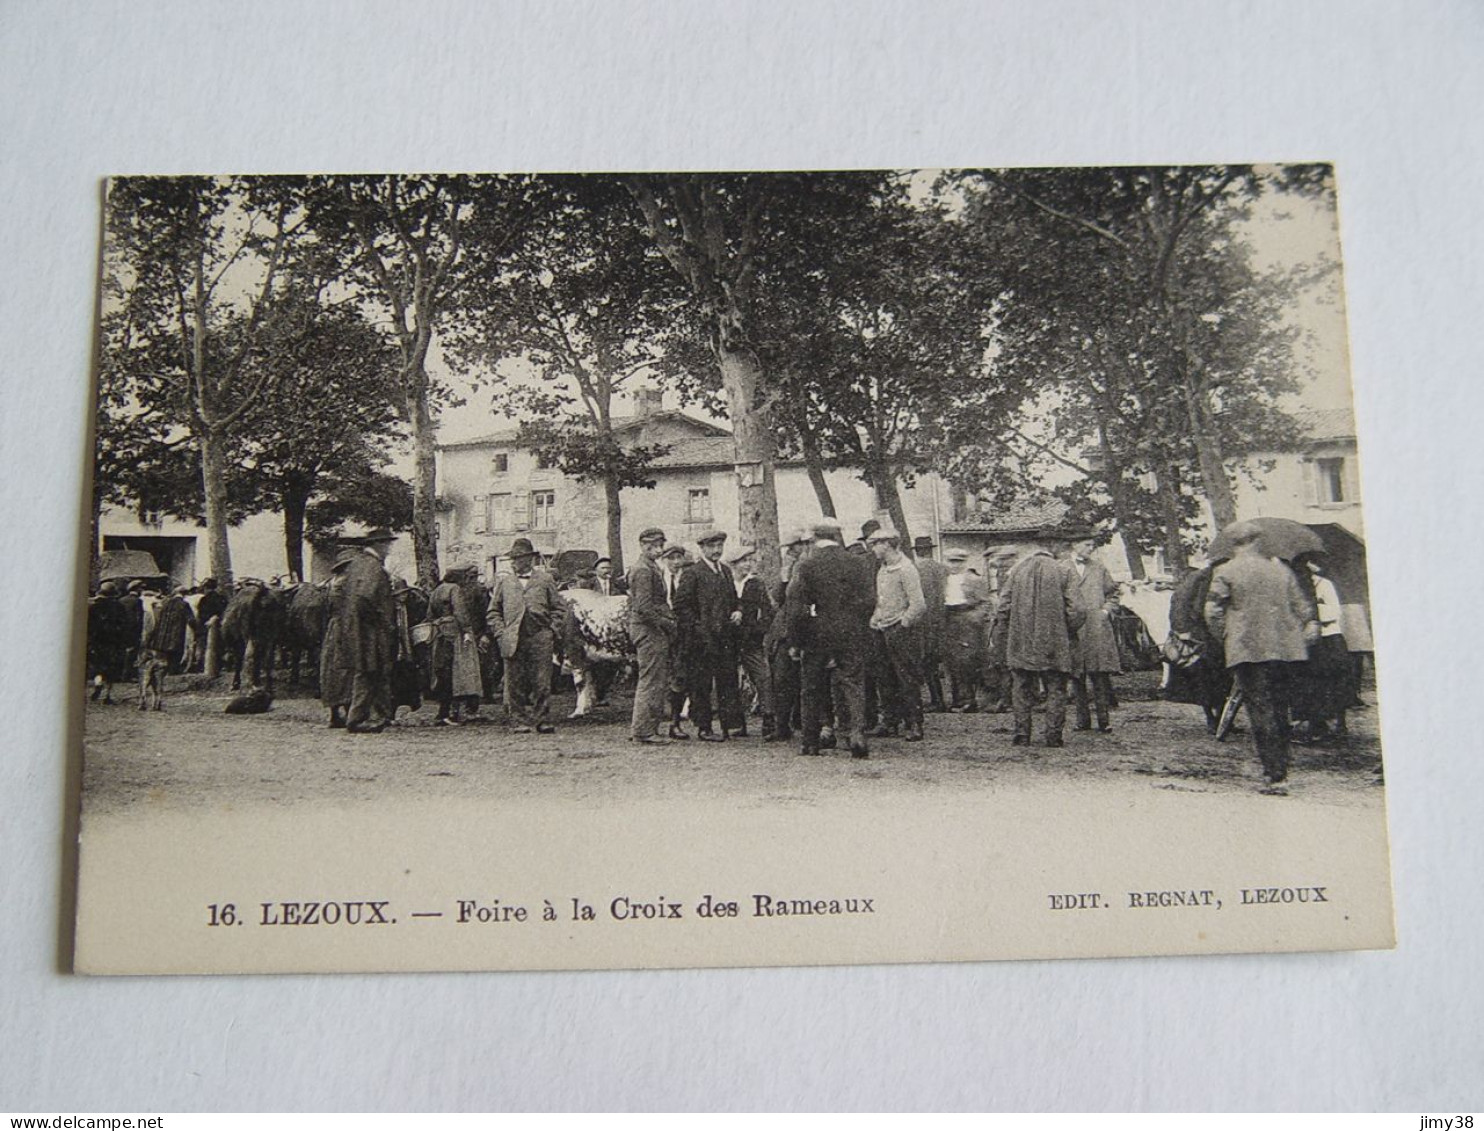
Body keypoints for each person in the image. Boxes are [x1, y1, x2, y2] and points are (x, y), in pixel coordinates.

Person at [1203, 521, 1320, 789]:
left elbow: (1212, 611)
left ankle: (1273, 771)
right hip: (1285, 648)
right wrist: (1306, 627)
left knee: (1260, 708)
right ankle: (1283, 765)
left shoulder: (1225, 571)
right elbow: (1303, 607)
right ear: (1256, 541)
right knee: (1280, 707)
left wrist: (1224, 635)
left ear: (1234, 544)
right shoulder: (1281, 571)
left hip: (1247, 648)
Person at [787, 520, 876, 758]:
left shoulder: (806, 565)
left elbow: (796, 608)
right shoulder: (857, 563)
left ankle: (810, 741)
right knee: (853, 683)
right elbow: (869, 602)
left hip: (817, 633)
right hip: (851, 633)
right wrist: (855, 624)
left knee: (811, 687)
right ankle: (857, 734)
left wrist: (796, 641)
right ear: (837, 536)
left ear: (815, 538)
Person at [993, 527, 1085, 748]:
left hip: (1021, 641)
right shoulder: (1064, 571)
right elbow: (1077, 610)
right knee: (1056, 687)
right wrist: (1067, 630)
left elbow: (1003, 607)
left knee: (1021, 686)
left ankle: (1022, 734)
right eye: (1062, 545)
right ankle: (1053, 736)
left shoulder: (1017, 571)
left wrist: (1008, 634)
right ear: (1053, 545)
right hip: (1054, 641)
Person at [674, 530, 745, 741]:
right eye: (712, 547)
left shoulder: (724, 570)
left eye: (719, 546)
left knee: (726, 682)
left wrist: (738, 610)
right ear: (702, 548)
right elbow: (681, 606)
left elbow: (733, 598)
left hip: (724, 639)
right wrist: (698, 628)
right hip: (701, 641)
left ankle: (728, 725)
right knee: (701, 685)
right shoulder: (693, 573)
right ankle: (704, 727)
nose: (716, 551)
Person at [487, 538, 563, 735]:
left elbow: (559, 608)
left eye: (518, 559)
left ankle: (542, 720)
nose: (514, 563)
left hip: (540, 636)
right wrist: (500, 632)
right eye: (512, 559)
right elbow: (493, 611)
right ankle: (518, 720)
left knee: (542, 681)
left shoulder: (545, 580)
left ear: (529, 559)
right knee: (514, 682)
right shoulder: (505, 582)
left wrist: (552, 630)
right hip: (513, 638)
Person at [330, 529, 399, 733]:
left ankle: (377, 715)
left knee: (369, 671)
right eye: (387, 545)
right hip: (370, 632)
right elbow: (365, 597)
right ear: (380, 545)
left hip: (356, 629)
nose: (389, 549)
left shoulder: (356, 565)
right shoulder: (373, 567)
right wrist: (381, 622)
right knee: (369, 671)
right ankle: (357, 718)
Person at [869, 525, 928, 741]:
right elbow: (881, 601)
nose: (873, 548)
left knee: (907, 678)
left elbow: (918, 604)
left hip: (901, 632)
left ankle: (914, 723)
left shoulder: (906, 569)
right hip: (883, 629)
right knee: (884, 678)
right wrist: (875, 618)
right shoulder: (882, 570)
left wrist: (903, 624)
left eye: (876, 544)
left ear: (887, 544)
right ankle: (890, 721)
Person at [1291, 555, 1357, 741]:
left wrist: (1315, 613)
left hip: (1329, 639)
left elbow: (1335, 611)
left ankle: (1338, 724)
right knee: (1311, 684)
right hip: (1309, 641)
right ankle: (1315, 724)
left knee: (1333, 681)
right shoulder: (1295, 589)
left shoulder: (1324, 584)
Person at [1065, 530, 1122, 734]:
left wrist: (1106, 611)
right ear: (1075, 545)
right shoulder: (1062, 568)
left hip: (1096, 628)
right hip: (1072, 629)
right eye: (1087, 545)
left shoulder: (1099, 568)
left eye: (1092, 545)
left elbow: (1113, 593)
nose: (1091, 549)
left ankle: (1104, 720)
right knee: (1077, 676)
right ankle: (1082, 720)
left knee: (1098, 675)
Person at [626, 527, 678, 745]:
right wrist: (667, 623)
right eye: (652, 546)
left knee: (655, 678)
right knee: (651, 680)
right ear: (642, 546)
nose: (657, 550)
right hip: (649, 630)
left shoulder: (649, 567)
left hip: (652, 629)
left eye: (659, 546)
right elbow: (644, 607)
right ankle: (644, 730)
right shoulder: (643, 570)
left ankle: (647, 728)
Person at [764, 528, 813, 743]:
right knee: (783, 680)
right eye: (789, 550)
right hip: (787, 632)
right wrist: (784, 578)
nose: (791, 553)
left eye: (795, 548)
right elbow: (776, 600)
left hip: (810, 629)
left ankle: (809, 724)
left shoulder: (812, 567)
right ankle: (782, 726)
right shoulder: (789, 570)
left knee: (810, 679)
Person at [728, 543, 776, 737]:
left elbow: (767, 611)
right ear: (734, 564)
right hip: (730, 640)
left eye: (749, 560)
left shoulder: (755, 584)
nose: (747, 565)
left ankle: (769, 719)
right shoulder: (726, 583)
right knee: (732, 681)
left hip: (751, 640)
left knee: (763, 677)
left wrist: (759, 631)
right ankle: (738, 722)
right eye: (743, 561)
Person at [427, 562, 484, 726]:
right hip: (455, 633)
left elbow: (429, 614)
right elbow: (460, 612)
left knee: (443, 672)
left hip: (439, 633)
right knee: (458, 674)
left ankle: (442, 712)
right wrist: (466, 630)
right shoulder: (455, 589)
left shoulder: (437, 590)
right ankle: (452, 713)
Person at [942, 548, 991, 711]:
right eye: (951, 561)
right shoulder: (943, 579)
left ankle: (970, 700)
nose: (954, 565)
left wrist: (974, 618)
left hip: (967, 621)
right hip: (949, 620)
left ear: (964, 562)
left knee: (967, 661)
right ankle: (958, 699)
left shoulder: (974, 579)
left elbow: (985, 602)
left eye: (958, 562)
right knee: (952, 661)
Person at [318, 550, 356, 728]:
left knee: (330, 669)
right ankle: (349, 712)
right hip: (346, 627)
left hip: (333, 627)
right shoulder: (346, 584)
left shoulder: (331, 584)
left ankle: (334, 713)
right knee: (346, 669)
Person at [912, 535, 950, 712]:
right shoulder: (943, 569)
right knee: (934, 663)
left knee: (927, 662)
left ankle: (937, 700)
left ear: (918, 551)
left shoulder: (917, 570)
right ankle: (939, 698)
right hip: (942, 620)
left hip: (924, 622)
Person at [87, 580, 134, 704]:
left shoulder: (93, 607)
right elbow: (124, 625)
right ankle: (107, 695)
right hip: (114, 642)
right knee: (112, 669)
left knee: (98, 666)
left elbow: (89, 626)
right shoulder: (118, 607)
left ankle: (98, 683)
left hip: (98, 642)